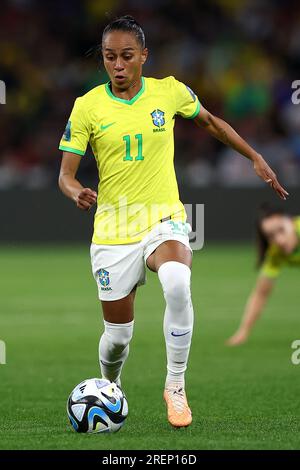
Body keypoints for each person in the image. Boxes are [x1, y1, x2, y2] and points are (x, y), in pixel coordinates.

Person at [58, 15, 288, 428]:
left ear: (144, 56)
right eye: (110, 57)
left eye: (127, 56)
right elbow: (65, 175)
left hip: (164, 217)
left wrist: (254, 157)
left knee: (178, 282)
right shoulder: (87, 106)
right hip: (112, 230)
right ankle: (111, 386)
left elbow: (212, 123)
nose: (118, 65)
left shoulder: (170, 92)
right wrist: (78, 192)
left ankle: (176, 387)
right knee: (117, 340)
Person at [227, 205, 299, 346]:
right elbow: (260, 294)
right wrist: (243, 331)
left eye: (281, 230)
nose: (279, 240)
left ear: (291, 223)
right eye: (270, 236)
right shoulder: (275, 254)